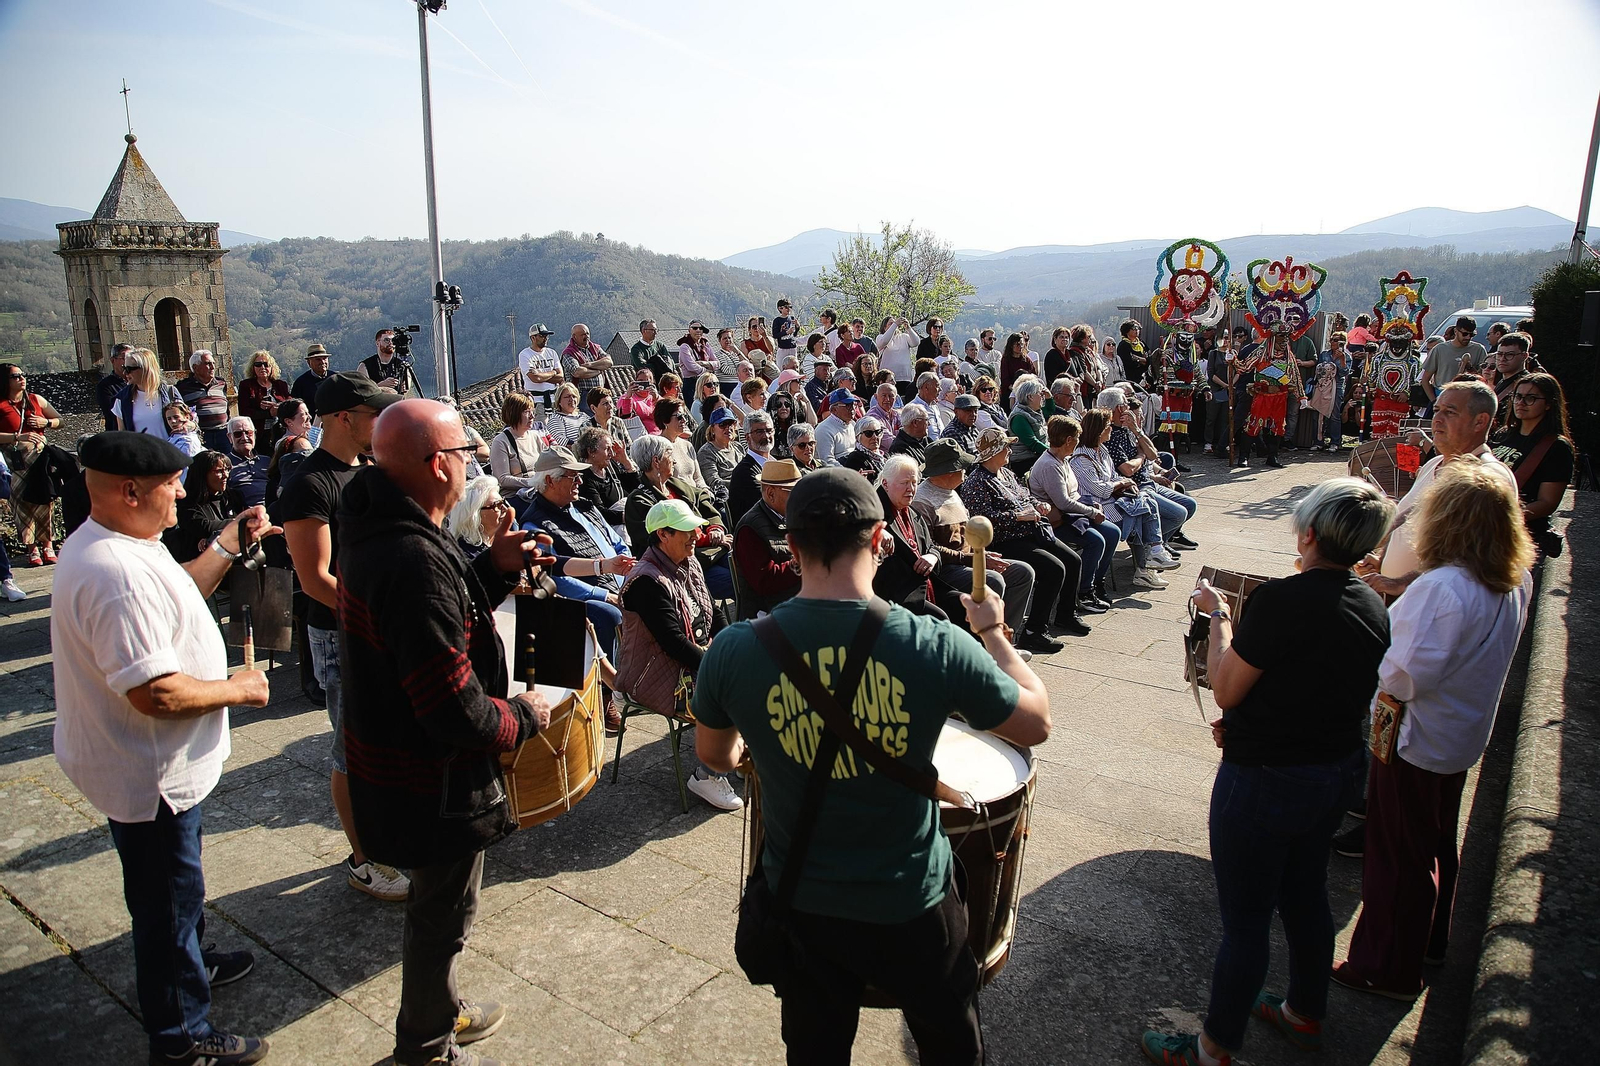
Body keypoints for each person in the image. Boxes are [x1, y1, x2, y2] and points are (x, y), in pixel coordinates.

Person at [692, 466, 1052, 1065]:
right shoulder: (935, 642)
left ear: (793, 543)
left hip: (801, 901)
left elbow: (715, 756)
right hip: (913, 902)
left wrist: (756, 745)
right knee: (951, 1047)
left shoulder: (734, 647)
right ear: (882, 539)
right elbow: (1035, 721)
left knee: (815, 1053)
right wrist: (992, 632)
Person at [1142, 478, 1394, 1066]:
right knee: (1306, 896)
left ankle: (1213, 1048)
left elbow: (1227, 686)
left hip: (1266, 778)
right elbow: (1319, 686)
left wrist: (1221, 619)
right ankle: (1306, 1011)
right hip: (1332, 770)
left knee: (1247, 921)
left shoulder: (1282, 600)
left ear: (1308, 533)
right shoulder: (1371, 602)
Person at [334, 399, 553, 1066]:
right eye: (463, 453)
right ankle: (426, 1047)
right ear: (437, 465)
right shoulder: (412, 560)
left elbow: (434, 627)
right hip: (431, 783)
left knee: (440, 913)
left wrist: (492, 568)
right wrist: (521, 718)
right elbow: (451, 707)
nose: (471, 462)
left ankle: (439, 1013)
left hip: (402, 769)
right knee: (441, 917)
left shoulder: (387, 531)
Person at [51, 432, 275, 1066]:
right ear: (129, 492)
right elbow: (156, 694)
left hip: (156, 771)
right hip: (150, 777)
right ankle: (181, 1035)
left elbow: (177, 590)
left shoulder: (119, 544)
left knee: (178, 890)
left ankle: (193, 962)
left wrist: (227, 544)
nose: (182, 489)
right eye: (170, 483)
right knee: (166, 903)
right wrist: (236, 689)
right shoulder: (114, 572)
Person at [1333, 464, 1533, 1003]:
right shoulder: (1514, 577)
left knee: (1398, 854)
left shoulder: (1442, 586)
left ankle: (1386, 966)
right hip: (1463, 731)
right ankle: (1429, 941)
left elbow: (1403, 673)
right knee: (1438, 840)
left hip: (1416, 737)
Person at [273, 372, 411, 901]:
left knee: (386, 740)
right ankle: (363, 859)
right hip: (343, 635)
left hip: (378, 626)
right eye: (373, 412)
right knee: (351, 750)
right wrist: (380, 618)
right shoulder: (310, 484)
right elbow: (315, 580)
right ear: (342, 418)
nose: (382, 421)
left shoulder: (367, 470)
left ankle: (387, 836)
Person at [616, 498, 743, 811]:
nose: (695, 536)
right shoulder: (646, 581)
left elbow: (713, 609)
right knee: (733, 692)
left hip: (692, 659)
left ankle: (738, 748)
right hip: (655, 675)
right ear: (663, 535)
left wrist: (726, 645)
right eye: (686, 530)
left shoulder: (687, 560)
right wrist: (716, 664)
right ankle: (707, 775)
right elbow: (672, 643)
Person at [1366, 381, 1516, 598]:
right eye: (1436, 410)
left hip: (1437, 604)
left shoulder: (1489, 476)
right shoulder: (1433, 464)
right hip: (1404, 598)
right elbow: (1411, 519)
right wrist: (1381, 560)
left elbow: (1467, 556)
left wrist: (1402, 582)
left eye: (1450, 412)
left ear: (1480, 421)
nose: (1437, 419)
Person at [961, 426, 1091, 638]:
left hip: (1032, 531)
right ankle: (1034, 630)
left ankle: (1066, 615)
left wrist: (1039, 505)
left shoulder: (1006, 473)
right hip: (1005, 541)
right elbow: (981, 521)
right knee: (1054, 569)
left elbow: (1025, 496)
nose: (1010, 452)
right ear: (994, 453)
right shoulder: (977, 482)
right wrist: (1018, 517)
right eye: (1006, 448)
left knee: (1073, 560)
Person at [911, 439, 1040, 645]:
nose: (966, 468)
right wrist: (975, 559)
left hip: (969, 559)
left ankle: (1005, 641)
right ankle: (985, 645)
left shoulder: (952, 491)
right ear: (948, 471)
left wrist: (981, 555)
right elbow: (930, 548)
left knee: (1023, 572)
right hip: (947, 568)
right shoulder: (922, 501)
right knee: (993, 580)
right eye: (961, 465)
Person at [520, 446, 637, 659]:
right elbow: (551, 577)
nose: (580, 482)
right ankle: (609, 687)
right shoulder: (534, 525)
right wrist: (604, 595)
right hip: (584, 598)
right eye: (572, 477)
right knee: (607, 614)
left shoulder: (584, 506)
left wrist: (630, 574)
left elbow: (618, 544)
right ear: (550, 481)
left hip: (621, 583)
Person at [1070, 409, 1177, 590]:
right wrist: (1123, 482)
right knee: (1144, 513)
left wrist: (1122, 482)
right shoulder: (1081, 458)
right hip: (1099, 508)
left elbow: (1111, 477)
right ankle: (1148, 562)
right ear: (1098, 431)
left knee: (1146, 501)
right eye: (1108, 426)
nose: (1111, 429)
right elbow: (1100, 490)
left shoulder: (1102, 450)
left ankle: (1153, 555)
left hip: (1113, 501)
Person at [624, 434, 734, 601]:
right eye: (670, 455)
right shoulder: (639, 501)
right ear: (656, 461)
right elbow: (662, 539)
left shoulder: (674, 485)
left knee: (750, 568)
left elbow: (701, 497)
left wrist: (715, 527)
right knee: (737, 581)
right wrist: (707, 539)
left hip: (711, 553)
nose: (674, 461)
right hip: (681, 565)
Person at [1029, 415, 1120, 612]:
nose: (1079, 441)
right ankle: (1084, 592)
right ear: (1068, 440)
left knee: (1113, 532)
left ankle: (1096, 581)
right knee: (1096, 541)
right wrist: (1091, 511)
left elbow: (1074, 493)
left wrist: (1091, 505)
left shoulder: (1064, 459)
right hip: (1056, 521)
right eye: (1077, 437)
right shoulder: (1049, 465)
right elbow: (1063, 502)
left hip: (1072, 514)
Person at [1102, 387, 1200, 551]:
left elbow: (1153, 455)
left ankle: (1159, 543)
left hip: (1147, 482)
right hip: (1135, 488)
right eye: (1126, 404)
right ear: (1120, 408)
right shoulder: (1111, 435)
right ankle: (1150, 547)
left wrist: (1136, 430)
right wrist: (1141, 457)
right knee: (1178, 514)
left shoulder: (1128, 428)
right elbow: (1127, 470)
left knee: (1190, 504)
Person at [1490, 371, 1573, 544]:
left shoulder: (1556, 447)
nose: (1521, 402)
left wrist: (1503, 516)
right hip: (1485, 527)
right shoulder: (1503, 434)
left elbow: (1547, 502)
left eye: (1531, 398)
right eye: (1518, 396)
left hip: (1520, 536)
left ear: (1549, 404)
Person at [729, 457, 803, 619]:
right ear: (771, 493)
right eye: (794, 492)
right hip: (768, 616)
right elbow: (765, 582)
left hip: (795, 603)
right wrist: (806, 561)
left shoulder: (792, 515)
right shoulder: (750, 529)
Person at [164, 449, 237, 564]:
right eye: (219, 471)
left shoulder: (234, 496)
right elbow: (204, 527)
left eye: (227, 470)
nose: (225, 475)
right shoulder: (187, 502)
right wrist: (238, 522)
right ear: (203, 474)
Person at [574, 424, 639, 527]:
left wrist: (626, 462)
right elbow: (598, 512)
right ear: (591, 451)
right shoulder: (585, 478)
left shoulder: (611, 466)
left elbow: (636, 488)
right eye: (607, 449)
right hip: (612, 527)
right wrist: (629, 517)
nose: (611, 453)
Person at [1420, 317, 1486, 408]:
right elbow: (1425, 380)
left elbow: (1484, 378)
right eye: (1465, 334)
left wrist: (1470, 368)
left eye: (1471, 335)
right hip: (1442, 396)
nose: (1468, 337)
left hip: (1468, 401)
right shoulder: (1440, 349)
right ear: (1455, 331)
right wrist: (1434, 402)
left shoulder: (1479, 350)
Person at [489, 392, 544, 501]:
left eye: (532, 411)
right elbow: (502, 479)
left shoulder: (535, 436)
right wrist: (533, 482)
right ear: (514, 413)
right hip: (515, 496)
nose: (532, 416)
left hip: (539, 490)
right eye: (527, 412)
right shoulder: (501, 441)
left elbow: (547, 464)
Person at [114, 350, 183, 436]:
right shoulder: (122, 399)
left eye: (129, 369)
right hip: (140, 449)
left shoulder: (170, 392)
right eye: (124, 368)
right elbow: (122, 434)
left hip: (169, 448)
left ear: (145, 369)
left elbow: (187, 421)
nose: (125, 373)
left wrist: (191, 426)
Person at [178, 349, 233, 451]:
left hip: (223, 433)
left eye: (213, 363)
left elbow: (227, 408)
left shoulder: (221, 383)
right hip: (202, 435)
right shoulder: (183, 387)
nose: (212, 367)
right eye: (208, 364)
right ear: (195, 367)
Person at [727, 410, 775, 525]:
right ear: (747, 437)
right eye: (759, 432)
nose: (766, 436)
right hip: (757, 532)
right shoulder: (744, 472)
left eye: (769, 430)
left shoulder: (776, 464)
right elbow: (768, 505)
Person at [654, 397, 710, 493]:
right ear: (665, 420)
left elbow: (698, 478)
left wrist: (705, 491)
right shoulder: (657, 448)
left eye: (685, 416)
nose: (684, 420)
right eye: (679, 417)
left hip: (696, 496)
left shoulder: (687, 445)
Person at [1310, 333, 1353, 452]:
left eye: (1336, 340)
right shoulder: (1324, 354)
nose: (1332, 342)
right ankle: (1318, 440)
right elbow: (1318, 370)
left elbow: (1345, 373)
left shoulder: (1347, 356)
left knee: (1334, 414)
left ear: (1342, 343)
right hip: (1322, 386)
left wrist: (1342, 360)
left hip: (1336, 387)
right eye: (1332, 339)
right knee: (1317, 414)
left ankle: (1335, 442)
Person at [222, 417, 271, 510]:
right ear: (230, 437)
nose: (244, 438)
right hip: (245, 513)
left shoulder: (267, 460)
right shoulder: (224, 463)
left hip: (273, 510)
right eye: (238, 434)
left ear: (255, 434)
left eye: (249, 433)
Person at [562, 323, 615, 407]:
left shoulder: (595, 348)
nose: (586, 336)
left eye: (587, 334)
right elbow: (578, 372)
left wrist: (589, 364)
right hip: (583, 395)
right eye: (583, 334)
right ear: (574, 337)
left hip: (600, 392)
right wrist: (599, 370)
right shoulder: (569, 353)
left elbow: (609, 362)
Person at [1487, 331, 1533, 426]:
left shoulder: (1527, 385)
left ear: (1524, 356)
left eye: (1509, 355)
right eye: (1499, 354)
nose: (1502, 359)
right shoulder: (1502, 380)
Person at [237, 351, 289, 433]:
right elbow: (244, 412)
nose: (262, 367)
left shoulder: (281, 385)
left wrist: (278, 406)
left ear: (272, 367)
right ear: (253, 368)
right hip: (258, 432)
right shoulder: (246, 385)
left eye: (266, 364)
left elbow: (291, 405)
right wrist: (269, 413)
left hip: (281, 431)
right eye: (258, 365)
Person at [516, 323, 563, 412]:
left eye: (546, 336)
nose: (545, 338)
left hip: (555, 400)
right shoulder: (525, 355)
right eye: (542, 336)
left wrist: (541, 376)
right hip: (536, 401)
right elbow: (535, 378)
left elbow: (560, 377)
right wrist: (553, 372)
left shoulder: (552, 353)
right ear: (533, 338)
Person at [1008, 376, 1049, 470]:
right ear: (1030, 397)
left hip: (1038, 456)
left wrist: (1049, 397)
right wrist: (1054, 454)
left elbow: (1050, 410)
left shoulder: (1035, 411)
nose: (1043, 397)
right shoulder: (1019, 417)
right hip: (1025, 461)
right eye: (1040, 394)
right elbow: (1033, 443)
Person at [361, 329, 418, 395]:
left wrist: (404, 387)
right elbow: (362, 392)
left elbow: (407, 389)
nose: (391, 343)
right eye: (387, 340)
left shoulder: (403, 365)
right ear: (377, 342)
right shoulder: (365, 366)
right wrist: (380, 386)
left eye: (393, 340)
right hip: (375, 403)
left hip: (396, 403)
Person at [814, 387, 859, 465]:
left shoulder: (852, 424)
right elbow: (827, 461)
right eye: (848, 405)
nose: (852, 409)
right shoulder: (824, 430)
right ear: (834, 410)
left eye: (854, 404)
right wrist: (852, 474)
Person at [97, 341, 134, 431]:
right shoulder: (105, 386)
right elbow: (112, 412)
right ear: (113, 360)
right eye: (124, 358)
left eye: (132, 358)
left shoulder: (138, 382)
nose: (127, 362)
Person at [837, 414, 887, 479]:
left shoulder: (884, 457)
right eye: (868, 433)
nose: (875, 437)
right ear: (858, 437)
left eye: (878, 432)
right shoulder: (855, 459)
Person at [290, 344, 332, 418]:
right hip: (311, 425)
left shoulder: (335, 378)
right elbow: (295, 408)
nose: (322, 362)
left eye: (324, 358)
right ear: (309, 363)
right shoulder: (301, 383)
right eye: (318, 359)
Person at [887, 402, 932, 468]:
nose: (929, 424)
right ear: (915, 423)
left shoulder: (926, 440)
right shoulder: (899, 449)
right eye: (926, 420)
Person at [876, 315, 917, 382]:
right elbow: (884, 342)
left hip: (905, 377)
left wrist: (908, 328)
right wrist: (895, 324)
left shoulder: (904, 337)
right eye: (890, 324)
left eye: (894, 323)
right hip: (887, 379)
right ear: (884, 327)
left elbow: (916, 342)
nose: (894, 326)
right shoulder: (880, 337)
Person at [997, 333, 1032, 405]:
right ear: (1011, 346)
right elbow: (1005, 380)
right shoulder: (1006, 360)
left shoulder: (1026, 360)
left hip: (1026, 394)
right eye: (1017, 344)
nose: (1020, 347)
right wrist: (1016, 390)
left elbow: (1033, 375)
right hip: (1009, 395)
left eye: (1022, 344)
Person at [772, 299, 800, 366]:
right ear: (780, 308)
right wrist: (786, 332)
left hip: (792, 347)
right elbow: (775, 335)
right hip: (783, 348)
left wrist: (797, 326)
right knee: (781, 367)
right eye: (786, 307)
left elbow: (795, 333)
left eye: (790, 307)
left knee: (794, 367)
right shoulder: (777, 320)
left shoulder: (792, 318)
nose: (789, 309)